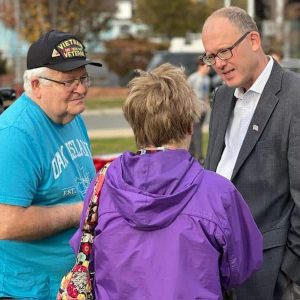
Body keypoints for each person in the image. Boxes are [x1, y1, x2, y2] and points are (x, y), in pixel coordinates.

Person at [70, 63, 262, 299]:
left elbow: (85, 252)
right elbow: (239, 267)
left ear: (135, 125)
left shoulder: (102, 186)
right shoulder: (218, 194)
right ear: (189, 125)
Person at [202, 6, 300, 300]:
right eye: (210, 56)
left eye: (224, 51)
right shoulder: (220, 97)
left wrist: (288, 278)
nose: (218, 64)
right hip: (218, 273)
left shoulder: (295, 98)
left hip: (270, 278)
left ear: (254, 40)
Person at [0, 29, 102, 298]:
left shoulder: (72, 117)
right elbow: (6, 223)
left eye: (83, 78)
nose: (81, 88)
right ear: (36, 85)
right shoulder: (14, 135)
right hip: (27, 291)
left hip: (72, 285)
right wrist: (83, 209)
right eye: (69, 81)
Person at [188, 58, 211, 162]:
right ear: (200, 66)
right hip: (194, 109)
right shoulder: (193, 78)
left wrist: (207, 106)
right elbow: (187, 93)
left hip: (203, 109)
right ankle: (198, 156)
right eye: (207, 66)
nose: (209, 69)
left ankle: (195, 154)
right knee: (195, 132)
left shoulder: (207, 79)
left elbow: (206, 95)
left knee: (198, 132)